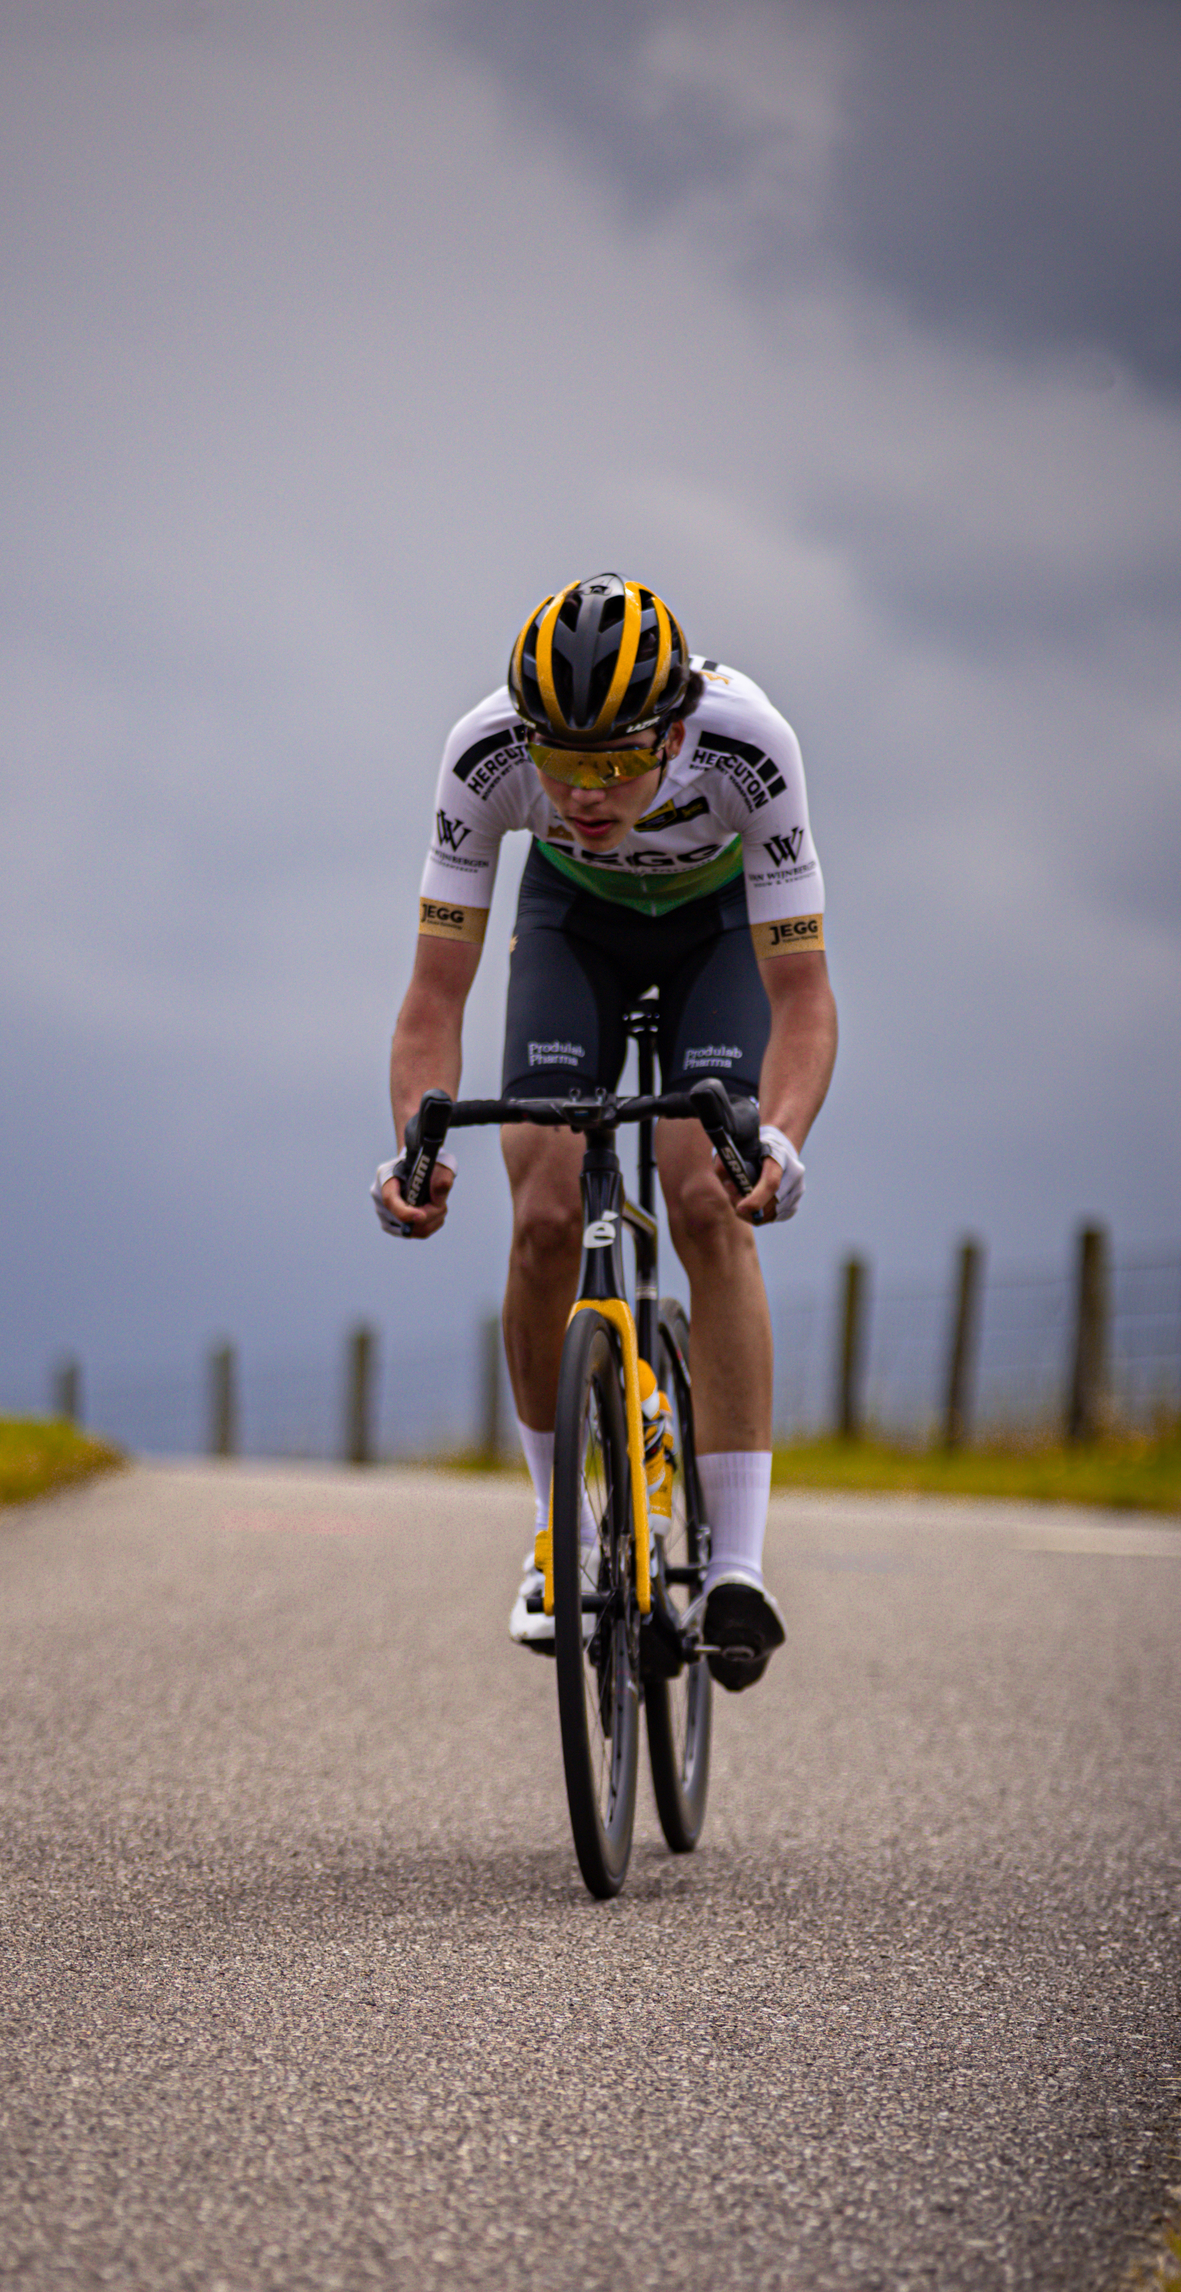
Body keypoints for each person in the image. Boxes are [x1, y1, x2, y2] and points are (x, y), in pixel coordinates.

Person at [373, 571, 837, 1690]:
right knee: (537, 1216)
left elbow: (802, 1001)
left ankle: (735, 1564)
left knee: (701, 1197)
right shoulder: (483, 754)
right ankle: (555, 1532)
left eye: (618, 763)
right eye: (561, 764)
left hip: (715, 932)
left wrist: (775, 1138)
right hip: (571, 925)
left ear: (673, 732)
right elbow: (436, 997)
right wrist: (412, 1152)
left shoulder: (747, 746)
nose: (585, 793)